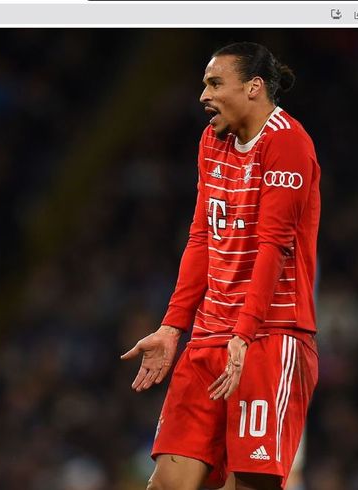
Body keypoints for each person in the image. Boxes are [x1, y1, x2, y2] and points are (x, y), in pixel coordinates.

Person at [122, 42, 320, 490]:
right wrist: (173, 327)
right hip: (209, 338)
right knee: (167, 484)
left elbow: (272, 246)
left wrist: (244, 333)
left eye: (214, 83)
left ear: (253, 88)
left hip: (269, 336)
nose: (203, 95)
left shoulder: (288, 142)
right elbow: (201, 238)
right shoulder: (213, 140)